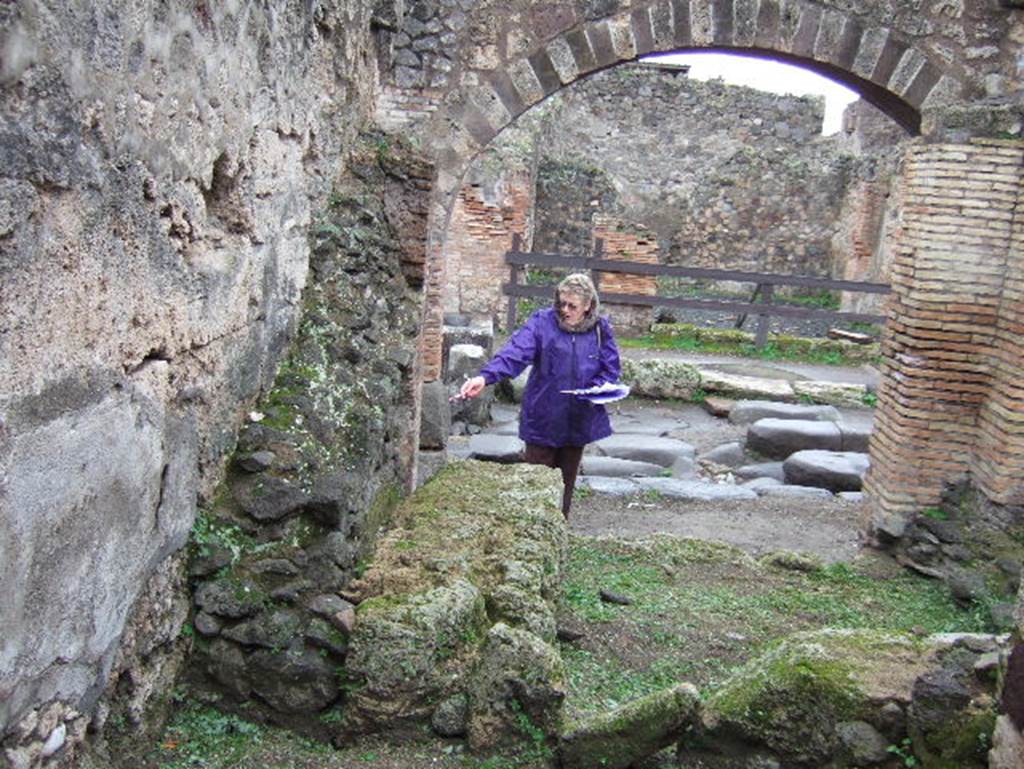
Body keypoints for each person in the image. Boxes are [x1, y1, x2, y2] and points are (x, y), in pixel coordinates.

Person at [460, 273, 622, 517]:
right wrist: (485, 377)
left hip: (578, 420)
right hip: (543, 418)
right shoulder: (541, 323)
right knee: (535, 485)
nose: (564, 310)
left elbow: (611, 369)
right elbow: (515, 353)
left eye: (572, 306)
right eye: (561, 303)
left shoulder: (601, 330)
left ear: (588, 306)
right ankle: (531, 530)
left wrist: (596, 388)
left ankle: (560, 532)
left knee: (566, 484)